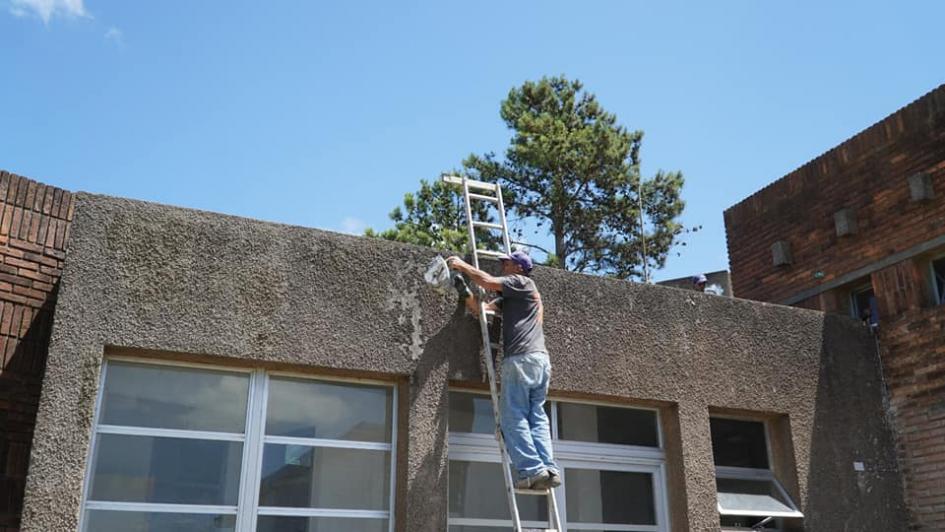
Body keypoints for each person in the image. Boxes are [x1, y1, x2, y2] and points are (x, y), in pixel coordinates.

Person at [447, 251, 560, 490]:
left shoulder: (522, 282)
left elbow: (487, 281)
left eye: (506, 263)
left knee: (513, 417)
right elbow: (482, 311)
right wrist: (464, 291)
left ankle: (532, 469)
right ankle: (548, 468)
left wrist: (461, 266)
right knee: (536, 416)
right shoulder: (516, 297)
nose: (503, 267)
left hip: (522, 359)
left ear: (518, 267)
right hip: (539, 362)